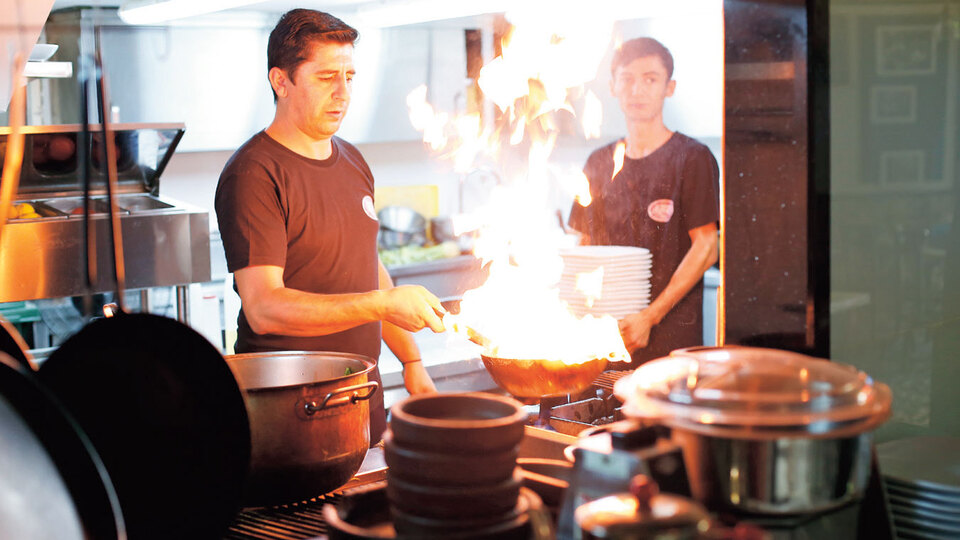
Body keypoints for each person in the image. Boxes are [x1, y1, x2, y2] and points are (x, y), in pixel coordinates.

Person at [215, 9, 445, 444]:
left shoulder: (354, 161)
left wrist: (413, 364)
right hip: (289, 412)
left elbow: (366, 264)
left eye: (350, 76)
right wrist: (382, 304)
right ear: (280, 82)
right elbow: (264, 308)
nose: (343, 94)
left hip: (360, 397)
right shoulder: (253, 174)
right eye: (325, 78)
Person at [569, 37, 720, 365]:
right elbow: (582, 246)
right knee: (593, 414)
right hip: (600, 340)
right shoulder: (598, 163)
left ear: (670, 87)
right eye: (627, 79)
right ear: (613, 86)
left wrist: (650, 317)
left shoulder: (692, 158)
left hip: (670, 342)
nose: (637, 90)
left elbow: (707, 247)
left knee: (657, 415)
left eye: (650, 79)